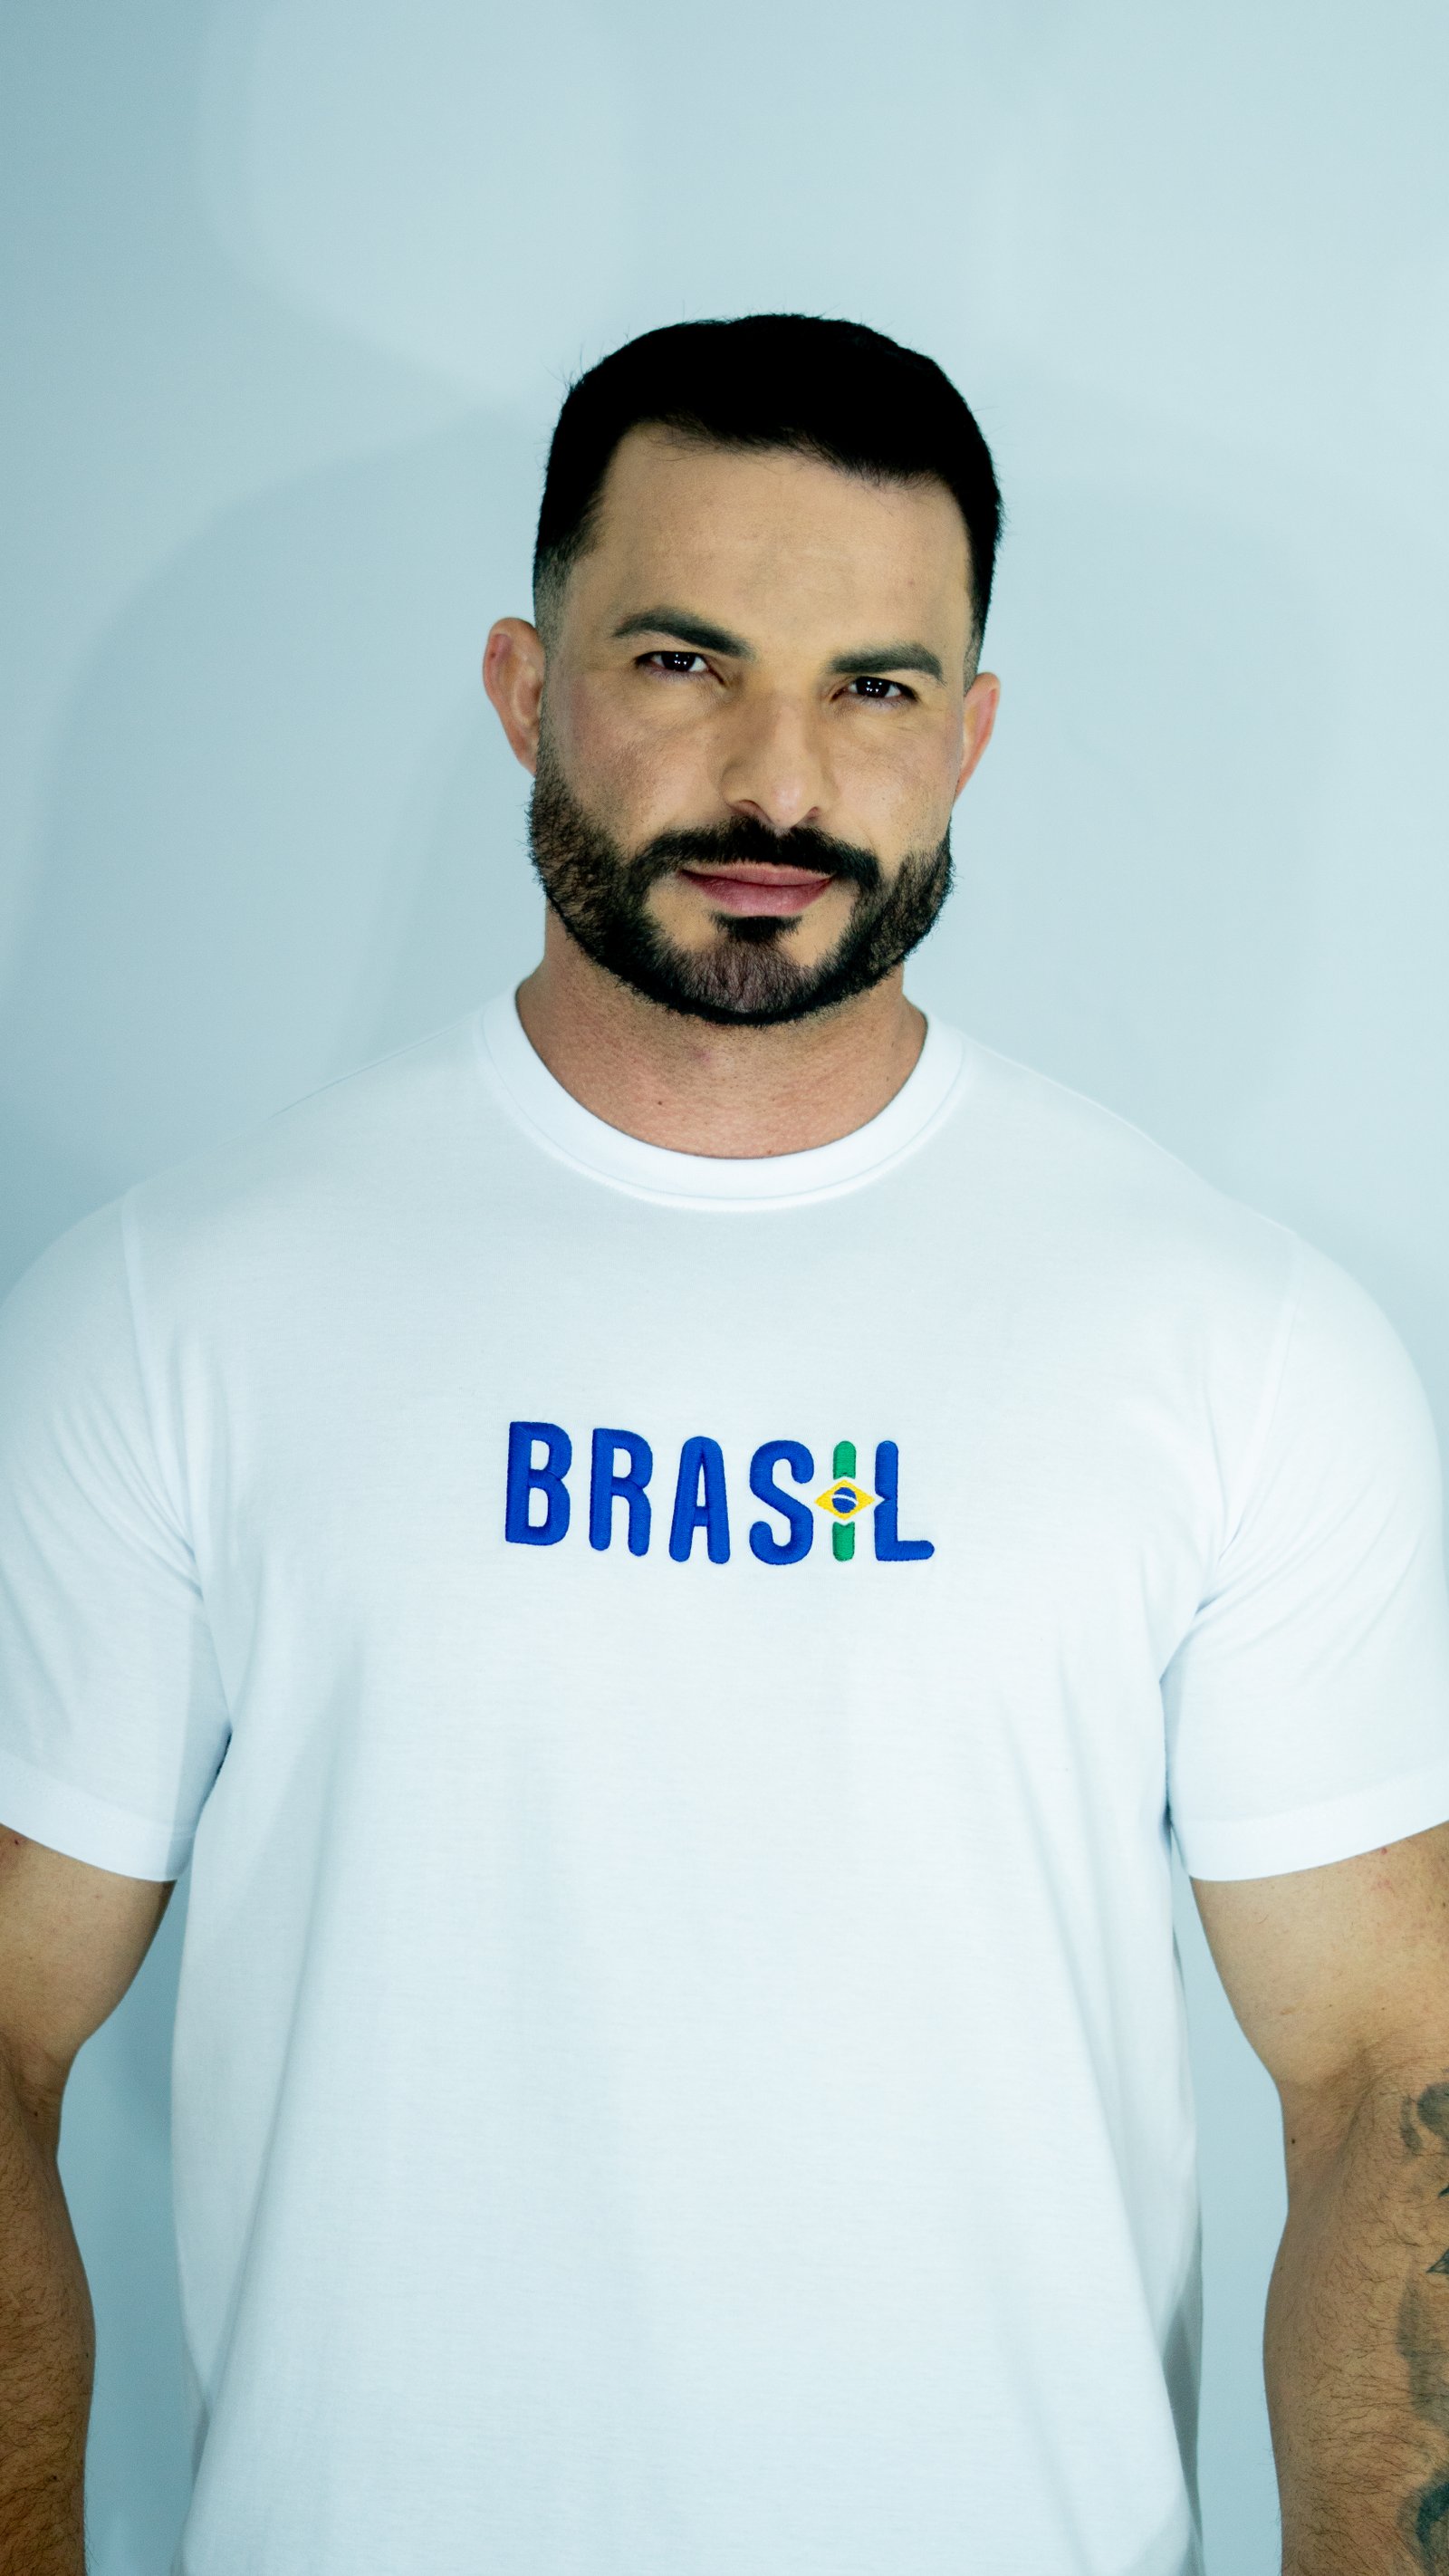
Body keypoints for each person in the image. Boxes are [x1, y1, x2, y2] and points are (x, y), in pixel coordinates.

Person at [0, 313, 1447, 2576]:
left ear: (965, 736)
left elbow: (1385, 2081)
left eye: (872, 688)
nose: (778, 780)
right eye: (683, 663)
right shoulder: (177, 1309)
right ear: (523, 688)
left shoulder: (1234, 1342)